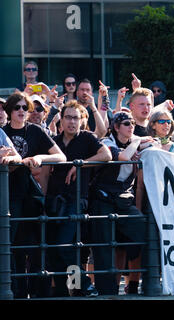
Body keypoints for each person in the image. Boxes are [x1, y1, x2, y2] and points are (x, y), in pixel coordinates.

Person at [3, 92, 67, 298]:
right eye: (17, 107)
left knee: (35, 244)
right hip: (7, 195)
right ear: (9, 111)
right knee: (11, 245)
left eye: (25, 107)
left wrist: (39, 157)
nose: (21, 111)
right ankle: (14, 290)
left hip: (30, 193)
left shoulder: (37, 131)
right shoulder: (2, 132)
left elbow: (61, 156)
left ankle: (39, 291)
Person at [45, 100, 112, 297]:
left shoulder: (87, 138)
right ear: (61, 120)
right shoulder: (54, 141)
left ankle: (82, 285)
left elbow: (106, 155)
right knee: (55, 249)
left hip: (76, 201)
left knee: (66, 246)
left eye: (76, 118)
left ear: (82, 121)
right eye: (68, 117)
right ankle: (66, 290)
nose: (71, 122)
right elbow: (47, 174)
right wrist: (45, 200)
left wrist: (80, 164)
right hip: (54, 201)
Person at [90, 112, 149, 295]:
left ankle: (139, 281)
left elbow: (155, 145)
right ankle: (107, 291)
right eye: (126, 123)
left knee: (142, 228)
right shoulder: (108, 142)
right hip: (103, 198)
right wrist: (137, 142)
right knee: (104, 245)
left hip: (124, 200)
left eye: (132, 122)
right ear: (116, 127)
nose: (131, 126)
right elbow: (122, 157)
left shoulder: (135, 142)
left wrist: (147, 143)